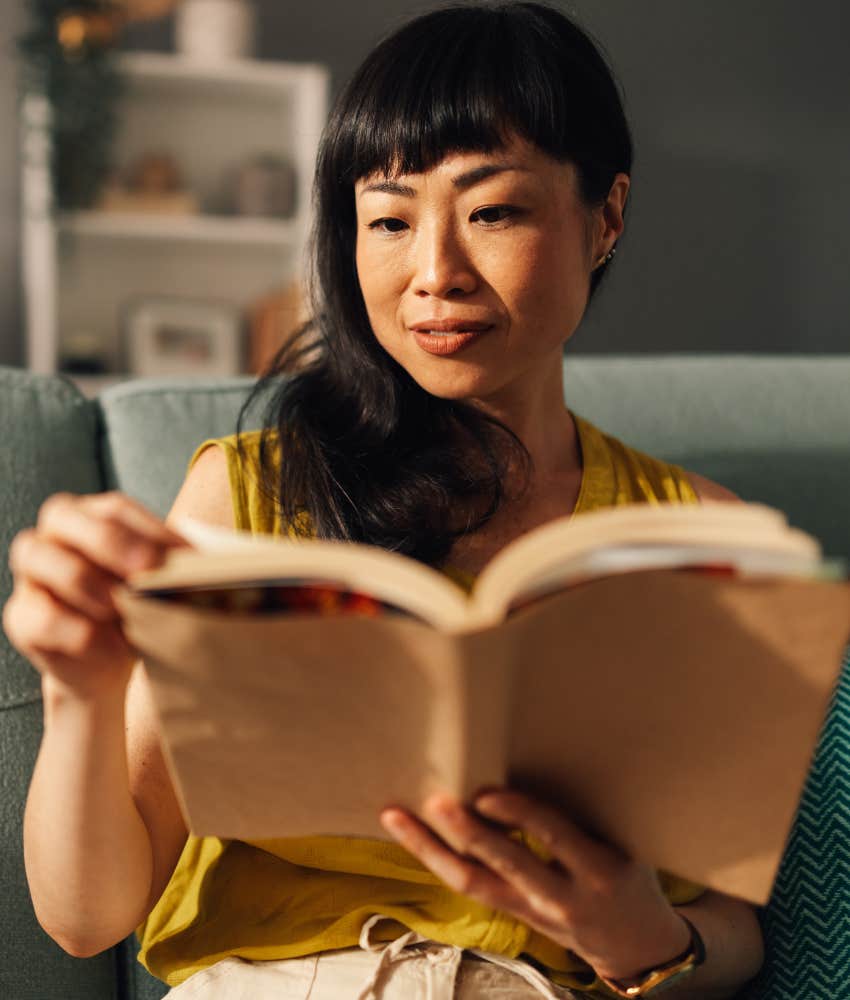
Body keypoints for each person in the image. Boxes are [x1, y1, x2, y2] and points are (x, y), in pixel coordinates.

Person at [4, 3, 765, 997]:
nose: (433, 274)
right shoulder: (249, 500)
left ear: (605, 216)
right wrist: (80, 693)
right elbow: (87, 915)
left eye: (492, 211)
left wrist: (639, 933)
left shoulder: (700, 538)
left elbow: (737, 931)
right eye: (390, 219)